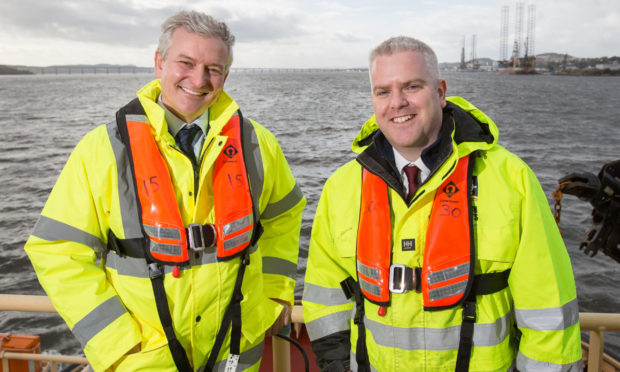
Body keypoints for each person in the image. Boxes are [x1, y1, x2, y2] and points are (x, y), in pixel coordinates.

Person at [24, 10, 305, 372]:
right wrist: (118, 342)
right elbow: (56, 250)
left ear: (226, 76)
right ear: (159, 63)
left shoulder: (257, 144)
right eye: (185, 63)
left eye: (213, 69)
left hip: (236, 345)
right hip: (145, 358)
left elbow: (283, 217)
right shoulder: (103, 149)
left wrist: (274, 293)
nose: (198, 79)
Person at [302, 36, 582, 371]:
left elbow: (548, 310)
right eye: (383, 91)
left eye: (412, 86)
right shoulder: (342, 186)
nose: (397, 102)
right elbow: (325, 297)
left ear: (440, 91)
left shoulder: (511, 179)